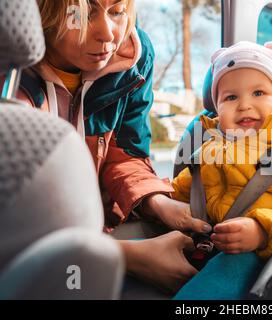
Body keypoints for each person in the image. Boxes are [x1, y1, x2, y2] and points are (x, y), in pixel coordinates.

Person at [3, 0, 210, 294]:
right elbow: (15, 222)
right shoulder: (9, 81)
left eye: (116, 11)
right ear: (41, 12)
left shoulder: (134, 61)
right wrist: (127, 256)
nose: (109, 34)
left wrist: (156, 202)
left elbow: (125, 156)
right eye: (85, 14)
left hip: (100, 227)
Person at [167, 41, 272, 299]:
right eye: (231, 97)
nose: (244, 105)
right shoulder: (210, 149)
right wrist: (157, 201)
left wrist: (262, 232)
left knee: (231, 268)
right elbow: (178, 193)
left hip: (255, 257)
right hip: (203, 246)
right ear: (217, 109)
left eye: (258, 93)